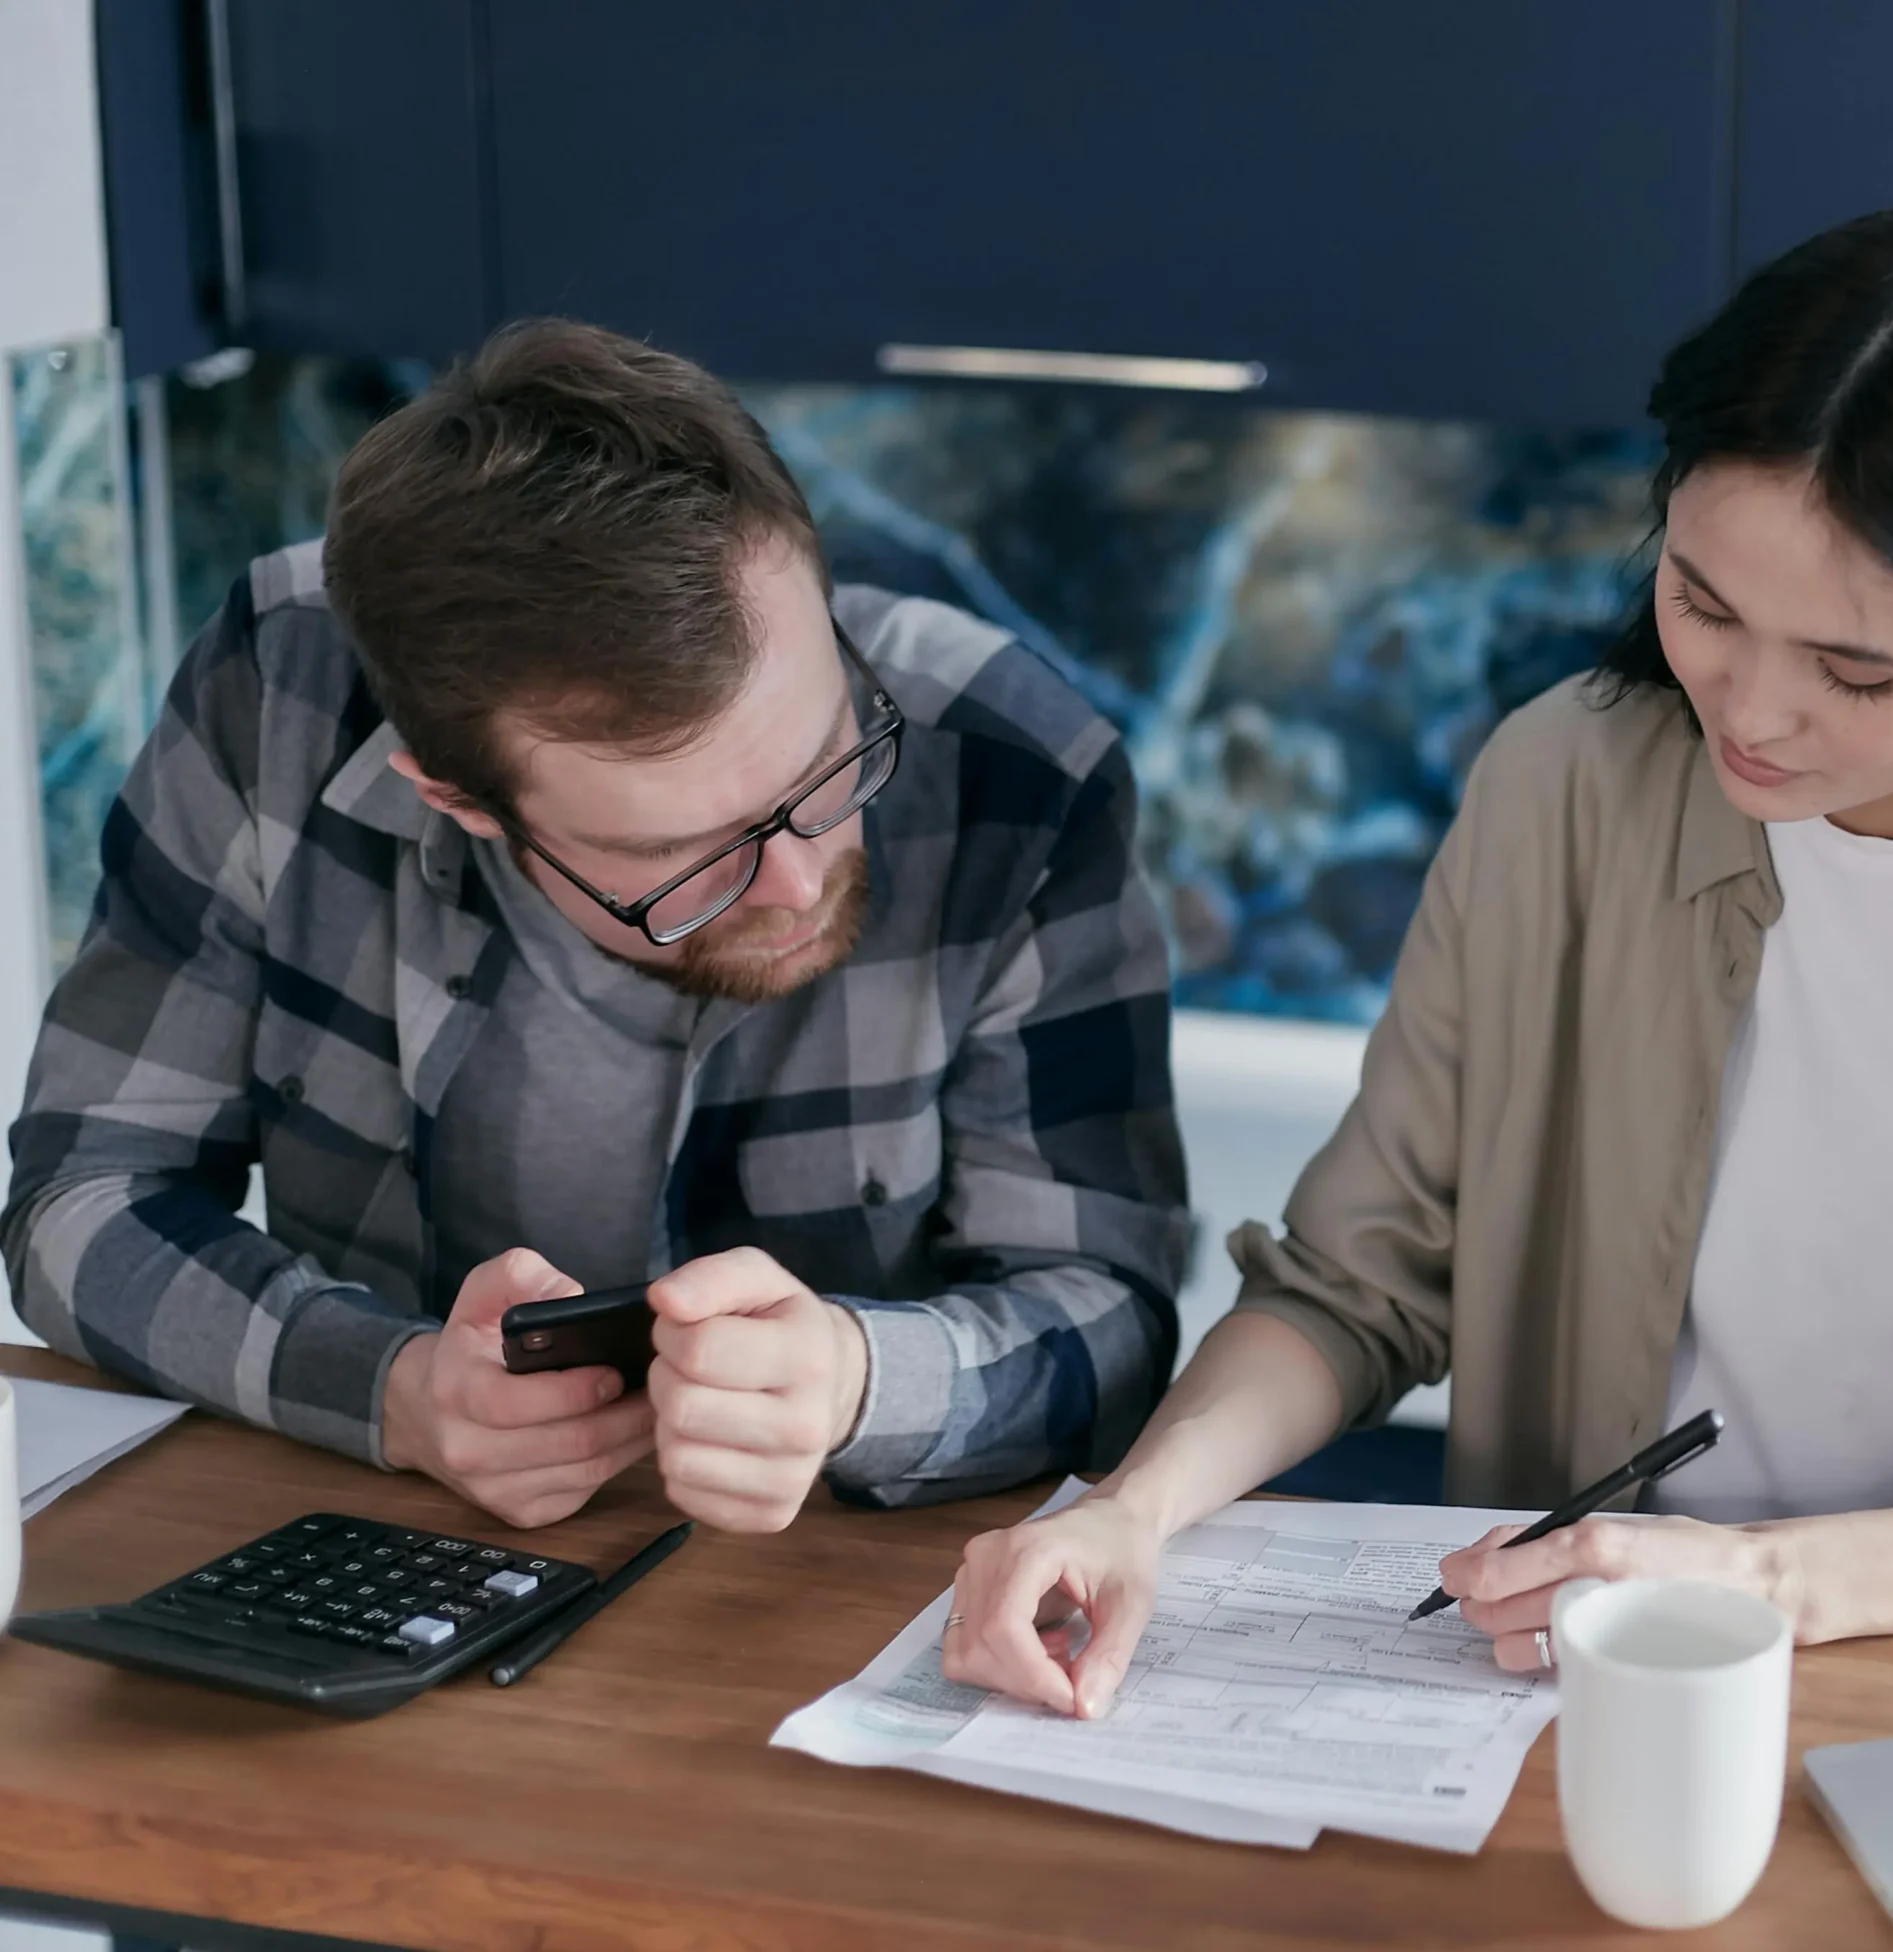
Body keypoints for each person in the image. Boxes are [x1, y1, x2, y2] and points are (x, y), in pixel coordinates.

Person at [943, 208, 1893, 1718]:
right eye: (1703, 603)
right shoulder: (1566, 784)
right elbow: (1360, 1280)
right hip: (1580, 1685)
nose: (1750, 709)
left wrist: (1772, 1587)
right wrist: (1133, 1511)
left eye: (1856, 671)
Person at [3, 321, 1188, 1533]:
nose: (794, 879)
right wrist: (389, 1388)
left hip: (825, 1588)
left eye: (830, 763)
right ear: (455, 797)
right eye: (681, 854)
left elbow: (1114, 1319)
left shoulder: (1013, 759)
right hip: (395, 1540)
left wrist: (854, 1380)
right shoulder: (282, 689)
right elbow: (84, 1195)